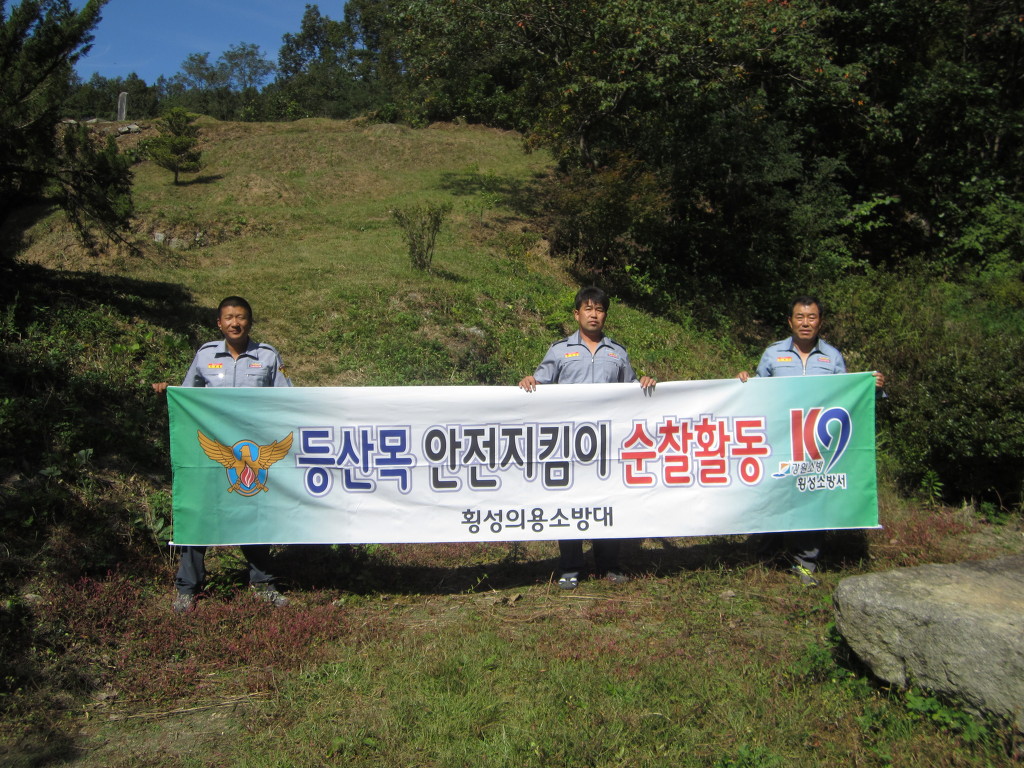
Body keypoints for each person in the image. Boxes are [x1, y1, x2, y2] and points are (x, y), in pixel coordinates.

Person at [153, 296, 292, 613]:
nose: (235, 323)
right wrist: (168, 392)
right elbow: (187, 396)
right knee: (198, 514)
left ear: (249, 322)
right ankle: (187, 589)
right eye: (229, 317)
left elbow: (287, 399)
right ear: (219, 323)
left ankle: (263, 585)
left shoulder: (268, 356)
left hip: (251, 453)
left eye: (241, 317)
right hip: (210, 456)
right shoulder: (205, 355)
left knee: (253, 514)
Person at [738, 294, 884, 586]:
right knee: (775, 493)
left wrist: (873, 388)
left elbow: (847, 396)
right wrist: (743, 382)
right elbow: (757, 393)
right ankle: (768, 556)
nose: (805, 323)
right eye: (800, 317)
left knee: (812, 498)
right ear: (790, 321)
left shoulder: (832, 357)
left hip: (817, 443)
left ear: (820, 322)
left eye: (811, 317)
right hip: (779, 440)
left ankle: (805, 563)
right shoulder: (772, 354)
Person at [519, 286, 656, 590]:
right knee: (569, 502)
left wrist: (644, 383)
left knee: (607, 501)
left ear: (605, 315)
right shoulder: (559, 350)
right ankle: (570, 566)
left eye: (600, 309)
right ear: (576, 314)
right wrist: (530, 380)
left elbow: (632, 389)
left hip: (607, 445)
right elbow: (540, 383)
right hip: (568, 444)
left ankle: (608, 564)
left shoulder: (617, 352)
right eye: (588, 308)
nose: (594, 315)